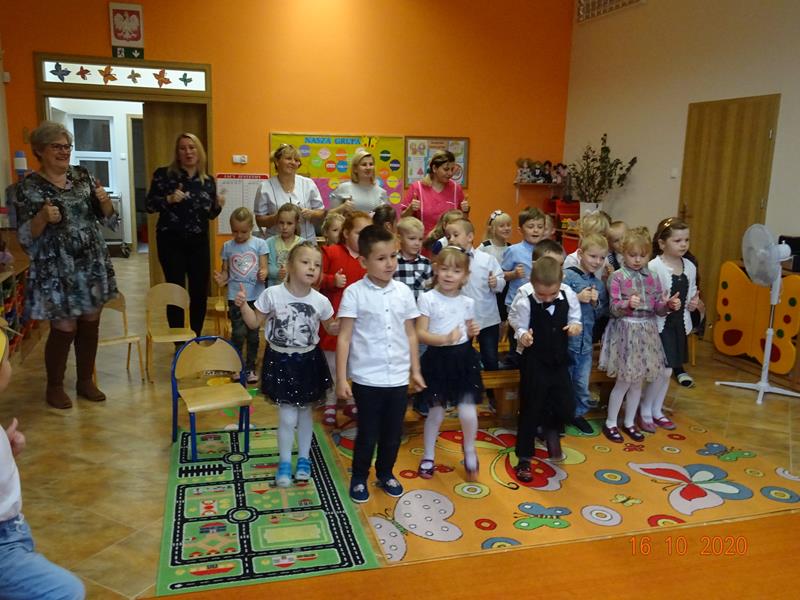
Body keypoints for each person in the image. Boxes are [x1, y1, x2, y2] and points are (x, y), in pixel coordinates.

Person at [14, 121, 118, 409]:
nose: (64, 152)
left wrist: (105, 201)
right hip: (56, 267)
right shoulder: (28, 188)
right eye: (57, 147)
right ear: (40, 150)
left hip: (91, 261)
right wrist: (42, 217)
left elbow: (109, 219)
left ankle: (85, 381)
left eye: (67, 146)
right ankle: (55, 386)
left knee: (90, 321)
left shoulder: (83, 176)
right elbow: (24, 238)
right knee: (64, 325)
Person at [235, 242, 339, 487]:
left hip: (309, 361)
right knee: (287, 417)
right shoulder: (272, 294)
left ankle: (303, 459)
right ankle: (284, 462)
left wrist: (346, 321)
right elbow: (254, 323)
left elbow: (331, 327)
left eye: (317, 265)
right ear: (289, 266)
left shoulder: (321, 300)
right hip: (280, 361)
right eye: (305, 262)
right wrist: (243, 306)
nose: (312, 268)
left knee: (305, 414)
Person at [336, 225, 425, 503]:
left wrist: (415, 370)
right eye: (381, 258)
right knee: (368, 432)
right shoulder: (354, 293)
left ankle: (386, 473)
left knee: (393, 433)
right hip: (367, 378)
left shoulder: (403, 292)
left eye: (393, 256)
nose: (389, 264)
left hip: (397, 377)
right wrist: (341, 378)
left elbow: (411, 333)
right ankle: (359, 477)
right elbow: (344, 338)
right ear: (364, 261)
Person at [0, 328, 85, 599]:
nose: (9, 364)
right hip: (4, 543)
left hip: (12, 531)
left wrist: (6, 452)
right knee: (67, 591)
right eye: (6, 359)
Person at [599, 227, 681, 443]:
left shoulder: (652, 277)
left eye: (642, 256)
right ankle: (611, 422)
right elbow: (613, 309)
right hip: (626, 331)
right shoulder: (617, 277)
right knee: (624, 381)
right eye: (632, 255)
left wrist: (668, 305)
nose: (637, 260)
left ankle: (629, 422)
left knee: (638, 382)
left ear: (649, 255)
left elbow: (658, 308)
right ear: (623, 253)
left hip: (647, 332)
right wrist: (627, 304)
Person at [509, 257, 582, 480]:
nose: (548, 298)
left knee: (566, 403)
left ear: (561, 282)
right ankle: (524, 457)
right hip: (534, 360)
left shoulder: (568, 294)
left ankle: (550, 430)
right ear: (533, 284)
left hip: (559, 358)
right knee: (531, 407)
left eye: (552, 294)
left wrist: (575, 326)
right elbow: (517, 323)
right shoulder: (524, 297)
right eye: (542, 295)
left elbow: (576, 318)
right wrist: (523, 335)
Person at [146, 132, 224, 338]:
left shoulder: (208, 181)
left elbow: (210, 215)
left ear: (199, 151)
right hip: (171, 242)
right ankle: (178, 339)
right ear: (177, 153)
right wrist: (169, 199)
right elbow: (148, 205)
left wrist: (218, 206)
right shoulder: (164, 175)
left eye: (192, 147)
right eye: (183, 148)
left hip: (199, 243)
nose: (188, 152)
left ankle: (194, 336)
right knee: (175, 289)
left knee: (199, 290)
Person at [415, 247, 483, 481]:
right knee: (435, 413)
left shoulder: (467, 302)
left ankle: (469, 448)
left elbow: (468, 332)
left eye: (456, 271)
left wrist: (472, 332)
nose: (449, 275)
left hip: (463, 361)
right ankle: (428, 455)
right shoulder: (427, 298)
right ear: (436, 269)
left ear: (465, 275)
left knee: (468, 413)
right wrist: (444, 338)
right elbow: (421, 333)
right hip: (437, 361)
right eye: (444, 269)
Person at [641, 218, 700, 430]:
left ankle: (657, 409)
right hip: (659, 325)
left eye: (686, 240)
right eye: (677, 241)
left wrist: (692, 304)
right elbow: (648, 299)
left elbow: (691, 294)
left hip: (678, 324)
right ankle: (645, 409)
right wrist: (665, 304)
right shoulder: (654, 266)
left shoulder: (690, 267)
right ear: (662, 243)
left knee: (669, 370)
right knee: (662, 371)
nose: (683, 244)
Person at [318, 211, 371, 426]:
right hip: (334, 321)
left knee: (355, 364)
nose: (364, 238)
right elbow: (314, 278)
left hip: (360, 323)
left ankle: (351, 401)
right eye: (359, 233)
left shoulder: (369, 259)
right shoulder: (331, 252)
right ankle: (330, 403)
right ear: (347, 233)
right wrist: (331, 280)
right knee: (332, 365)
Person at [213, 207, 268, 383]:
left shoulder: (260, 244)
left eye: (243, 232)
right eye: (235, 231)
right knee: (238, 333)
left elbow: (264, 267)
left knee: (253, 335)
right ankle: (236, 367)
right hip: (235, 298)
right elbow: (226, 271)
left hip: (255, 298)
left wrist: (263, 273)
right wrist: (222, 279)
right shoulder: (227, 247)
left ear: (251, 228)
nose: (239, 235)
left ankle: (251, 368)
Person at [563, 233, 609, 434]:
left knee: (581, 382)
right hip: (566, 341)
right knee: (563, 380)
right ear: (581, 254)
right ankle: (559, 413)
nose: (597, 262)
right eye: (593, 256)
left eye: (602, 258)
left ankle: (577, 414)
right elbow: (555, 302)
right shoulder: (567, 275)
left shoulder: (598, 284)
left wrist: (596, 302)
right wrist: (576, 297)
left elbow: (600, 313)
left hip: (586, 343)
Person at [445, 219, 505, 372]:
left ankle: (492, 386)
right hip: (460, 319)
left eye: (455, 235)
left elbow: (501, 281)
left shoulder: (487, 259)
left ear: (470, 237)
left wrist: (496, 282)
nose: (451, 239)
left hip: (487, 318)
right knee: (460, 356)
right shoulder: (448, 263)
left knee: (490, 357)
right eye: (448, 236)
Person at [500, 207, 546, 366]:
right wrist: (513, 274)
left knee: (535, 338)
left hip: (541, 302)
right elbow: (501, 275)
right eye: (531, 226)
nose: (535, 230)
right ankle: (515, 365)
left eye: (540, 227)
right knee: (517, 339)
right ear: (520, 230)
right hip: (517, 302)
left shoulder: (548, 249)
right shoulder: (513, 250)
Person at [254, 143, 325, 243]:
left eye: (296, 160)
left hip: (306, 243)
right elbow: (259, 221)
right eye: (288, 158)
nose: (293, 162)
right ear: (277, 162)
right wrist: (277, 217)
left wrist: (312, 213)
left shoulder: (308, 183)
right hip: (276, 244)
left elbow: (321, 213)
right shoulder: (265, 187)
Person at [400, 150, 469, 236]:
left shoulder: (456, 188)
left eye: (452, 169)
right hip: (423, 241)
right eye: (446, 169)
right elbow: (403, 218)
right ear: (434, 168)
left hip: (448, 242)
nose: (450, 173)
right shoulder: (417, 188)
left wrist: (465, 211)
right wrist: (411, 209)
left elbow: (463, 222)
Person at [478, 210, 513, 347]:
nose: (506, 228)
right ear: (492, 229)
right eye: (502, 226)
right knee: (490, 320)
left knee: (503, 319)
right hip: (488, 289)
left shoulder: (510, 248)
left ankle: (499, 344)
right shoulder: (485, 247)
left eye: (508, 225)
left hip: (505, 288)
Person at [327, 148, 389, 213]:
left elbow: (386, 217)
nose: (368, 168)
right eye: (364, 164)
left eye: (371, 164)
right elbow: (329, 215)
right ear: (355, 169)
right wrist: (342, 208)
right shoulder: (343, 188)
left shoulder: (381, 192)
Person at [394, 217, 433, 299]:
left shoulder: (426, 263)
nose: (417, 243)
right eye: (412, 238)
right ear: (399, 238)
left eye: (420, 239)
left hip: (420, 306)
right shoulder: (393, 262)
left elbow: (430, 291)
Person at [265, 203, 303, 288]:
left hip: (296, 289)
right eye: (281, 223)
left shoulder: (303, 244)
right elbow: (265, 267)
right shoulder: (269, 243)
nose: (284, 227)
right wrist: (277, 272)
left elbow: (305, 267)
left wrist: (291, 271)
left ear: (297, 223)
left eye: (289, 223)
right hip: (274, 290)